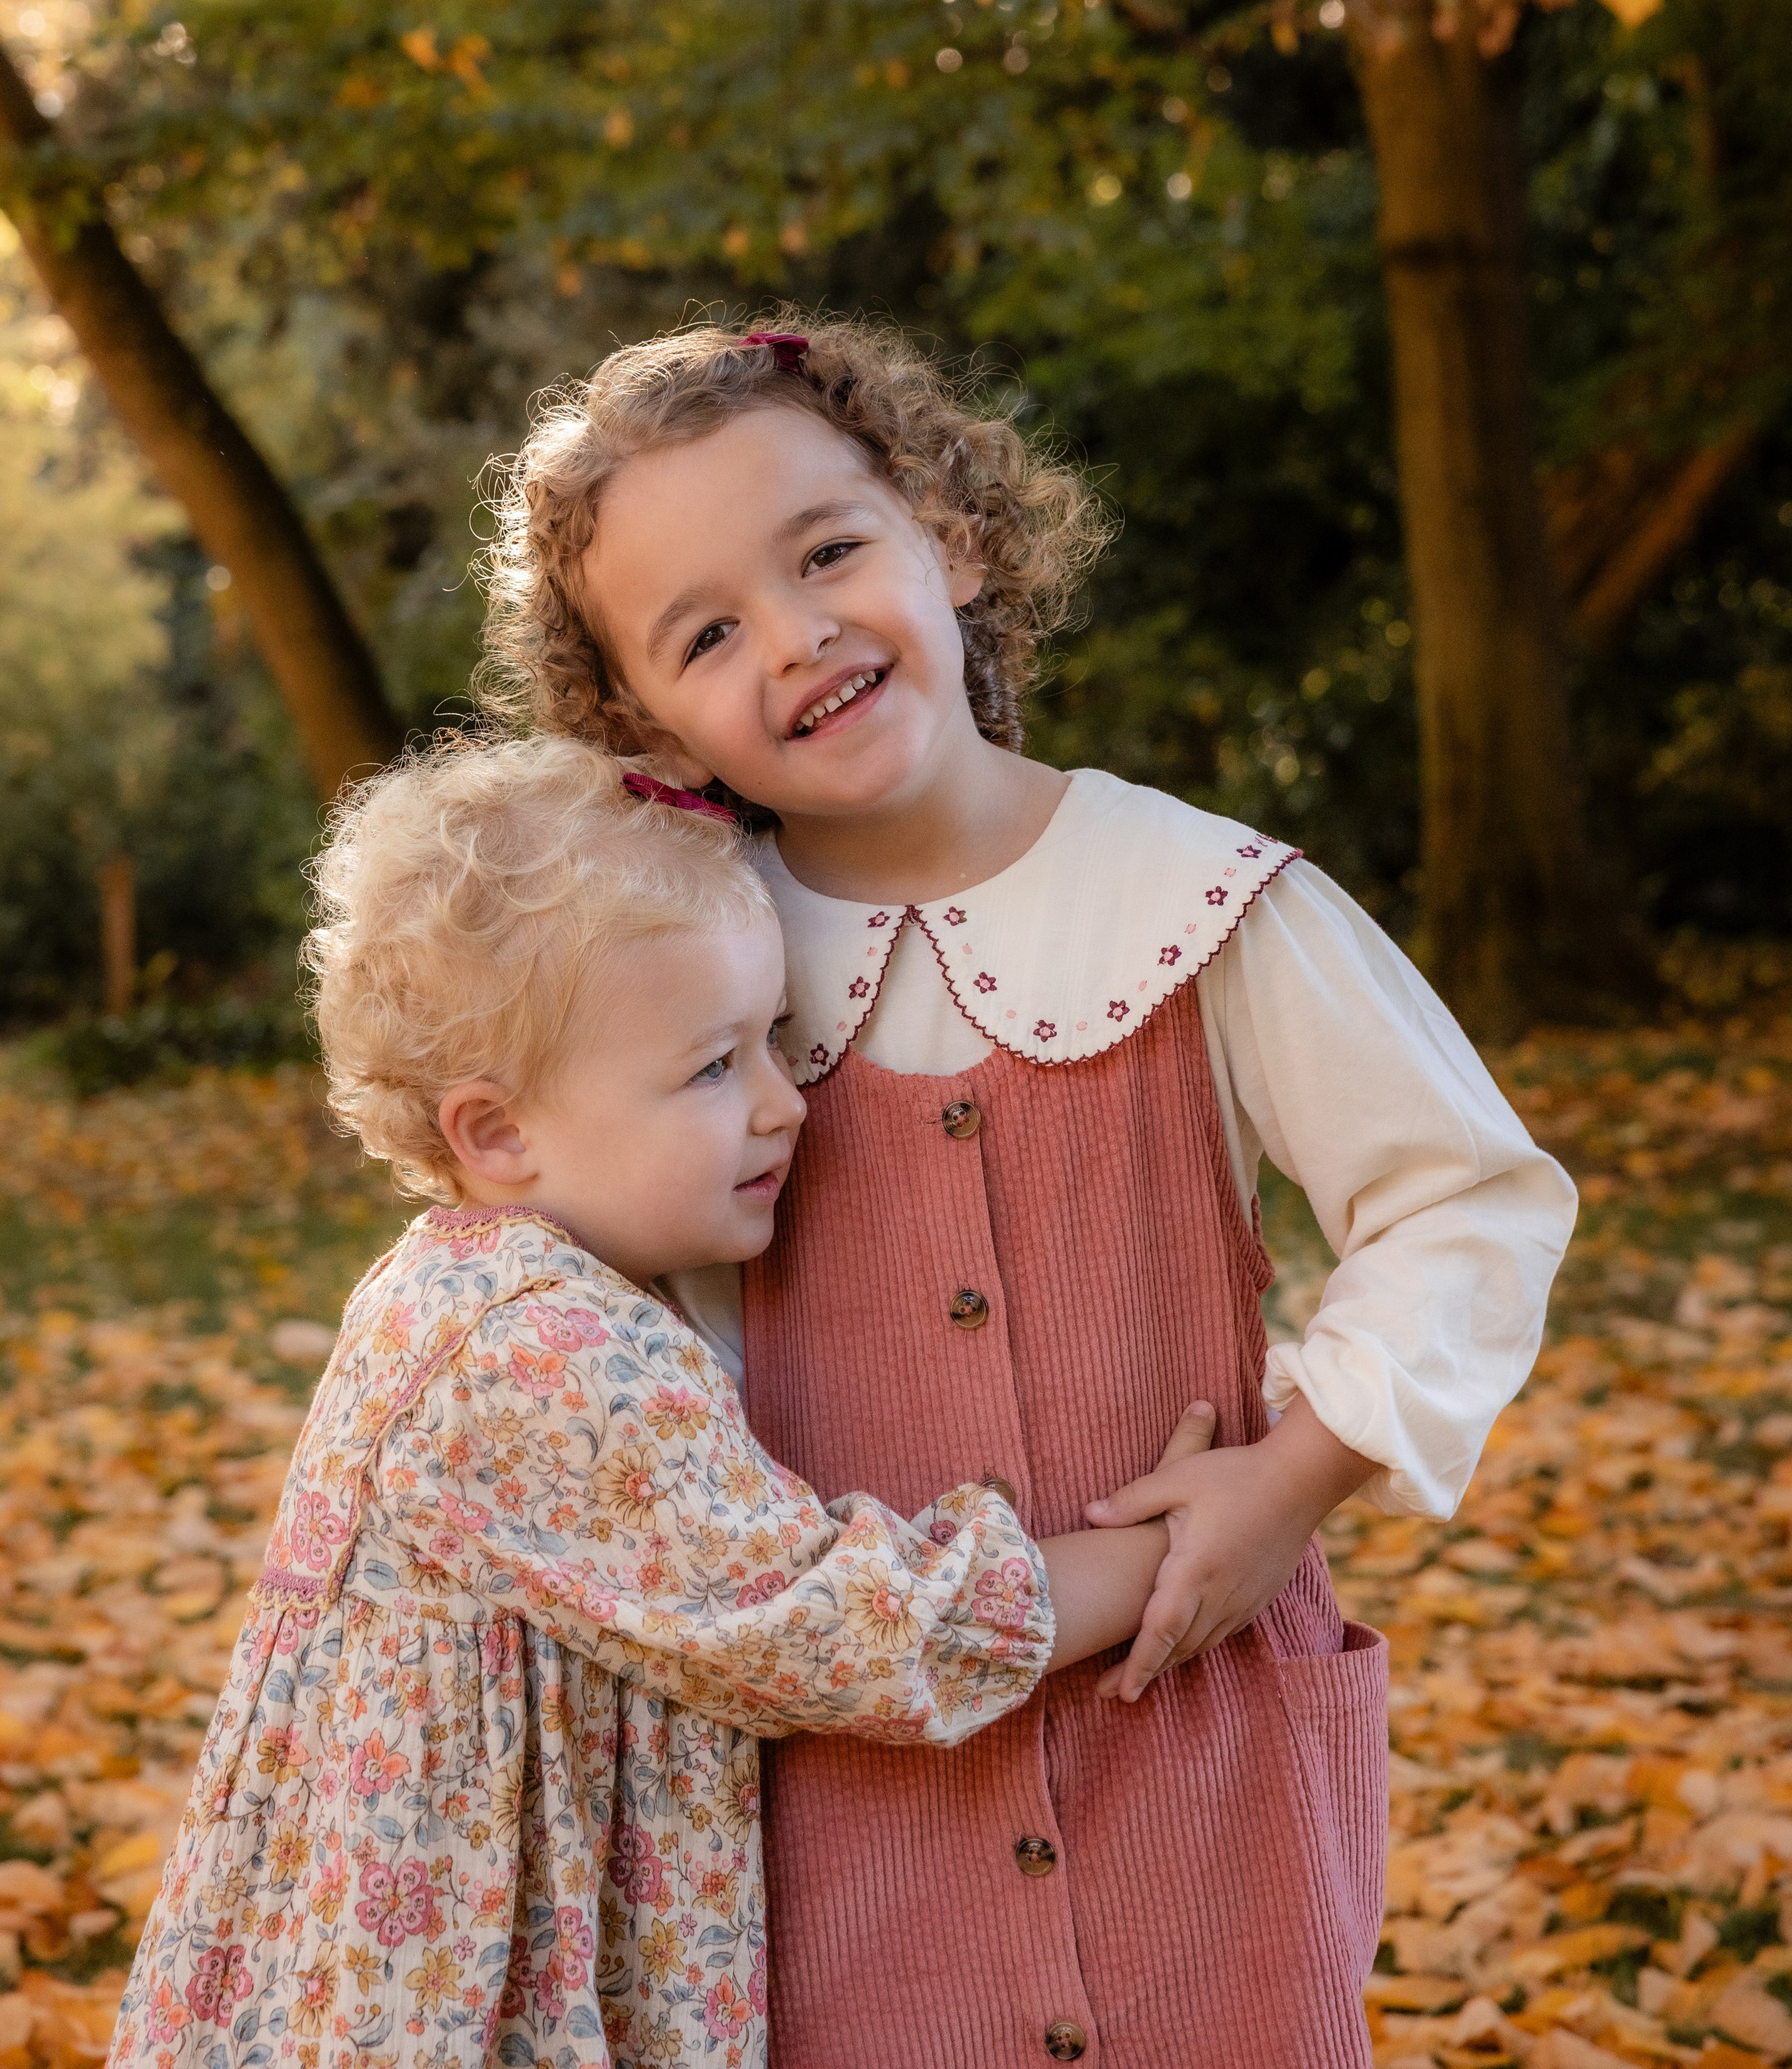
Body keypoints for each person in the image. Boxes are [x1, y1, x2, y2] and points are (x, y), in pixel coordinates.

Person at [479, 315, 1581, 2069]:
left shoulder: (1202, 897)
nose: (798, 636)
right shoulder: (684, 976)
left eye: (828, 551)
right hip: (844, 1781)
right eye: (705, 633)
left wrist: (1292, 1482)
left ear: (953, 532)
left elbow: (1464, 1200)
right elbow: (587, 1297)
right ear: (638, 714)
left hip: (1193, 1723)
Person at [107, 737, 1210, 2069]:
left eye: (774, 1044)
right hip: (448, 2006)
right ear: (497, 1132)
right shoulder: (546, 1353)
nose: (784, 1103)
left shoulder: (458, 1283)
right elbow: (845, 1631)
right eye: (711, 1068)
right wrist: (1174, 1553)